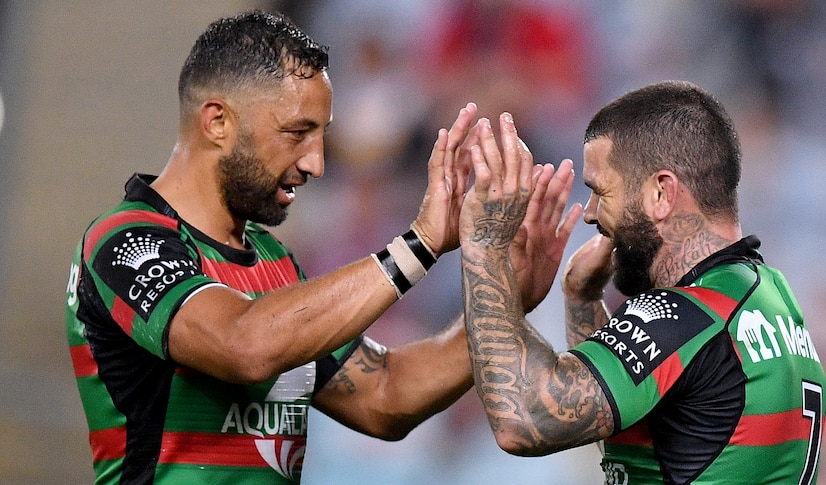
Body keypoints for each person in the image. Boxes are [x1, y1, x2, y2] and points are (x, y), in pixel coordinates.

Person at [64, 10, 577, 484]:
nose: (316, 163)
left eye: (321, 136)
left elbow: (385, 395)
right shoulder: (126, 241)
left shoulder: (274, 263)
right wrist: (418, 245)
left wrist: (502, 299)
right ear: (217, 121)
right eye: (296, 133)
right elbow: (244, 345)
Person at [459, 81, 826, 484]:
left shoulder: (690, 315)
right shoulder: (771, 296)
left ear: (661, 193)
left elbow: (524, 419)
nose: (591, 214)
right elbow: (642, 434)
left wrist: (484, 246)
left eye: (601, 192)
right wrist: (582, 299)